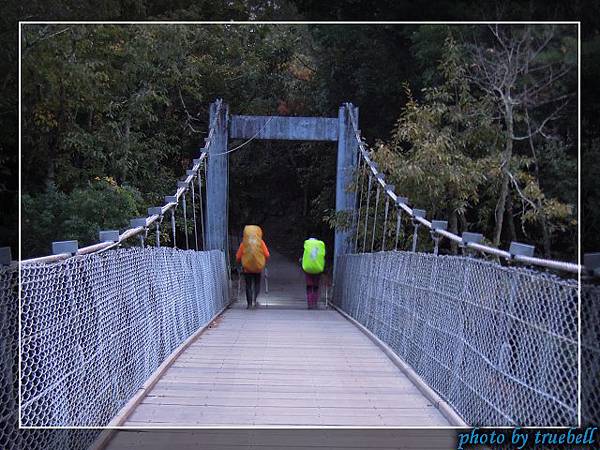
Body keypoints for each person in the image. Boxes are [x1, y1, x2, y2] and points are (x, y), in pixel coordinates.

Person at [236, 225, 270, 309]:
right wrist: (262, 260)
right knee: (257, 284)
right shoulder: (260, 242)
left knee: (248, 285)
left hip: (247, 268)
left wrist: (239, 262)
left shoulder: (244, 243)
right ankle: (255, 300)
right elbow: (267, 254)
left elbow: (238, 256)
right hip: (258, 268)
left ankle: (249, 304)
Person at [301, 238, 326, 309]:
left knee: (309, 287)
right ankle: (315, 303)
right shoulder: (320, 245)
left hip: (308, 269)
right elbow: (323, 256)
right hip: (318, 269)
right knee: (316, 287)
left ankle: (310, 304)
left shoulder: (307, 245)